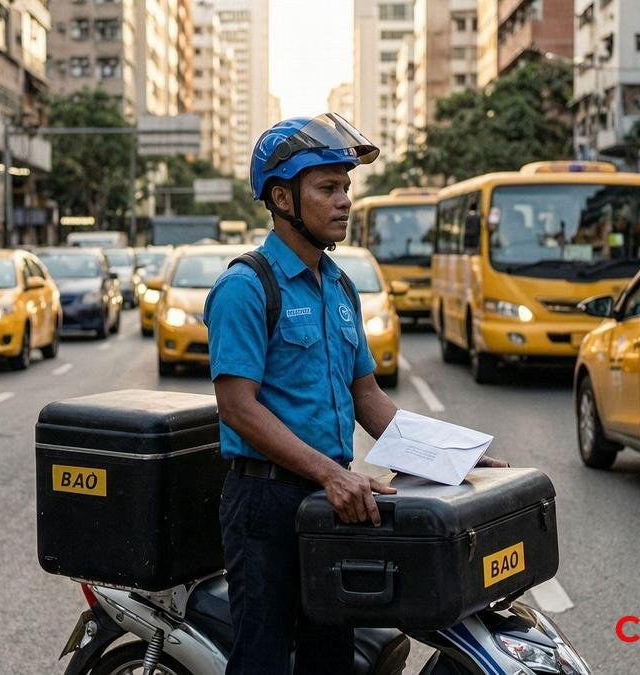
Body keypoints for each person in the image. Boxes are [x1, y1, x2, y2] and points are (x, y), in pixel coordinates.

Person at [203, 113, 507, 675]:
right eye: (327, 188)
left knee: (331, 658)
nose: (344, 201)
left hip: (330, 501)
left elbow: (368, 399)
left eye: (346, 187)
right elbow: (238, 408)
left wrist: (448, 454)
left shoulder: (340, 287)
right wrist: (330, 474)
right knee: (262, 659)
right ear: (282, 198)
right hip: (265, 503)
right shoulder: (246, 287)